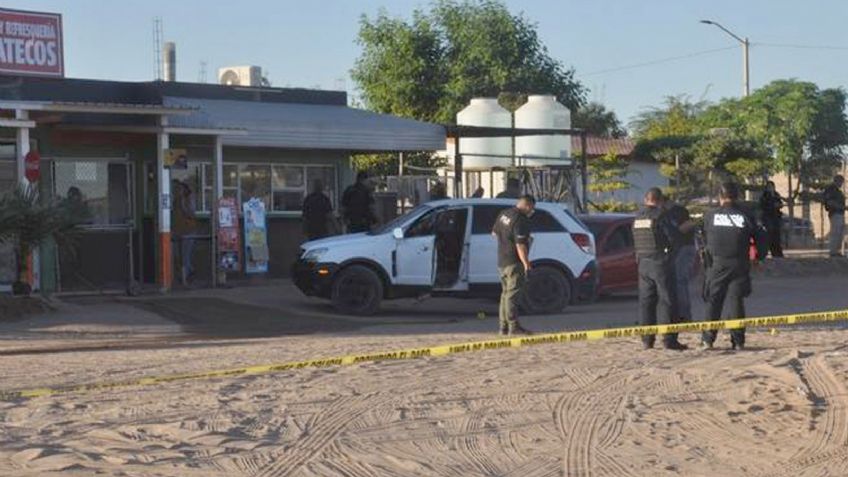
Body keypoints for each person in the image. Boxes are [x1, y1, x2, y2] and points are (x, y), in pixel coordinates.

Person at [701, 182, 766, 350]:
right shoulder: (746, 215)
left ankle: (708, 340)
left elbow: (704, 237)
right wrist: (759, 257)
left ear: (720, 197)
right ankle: (738, 342)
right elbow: (761, 237)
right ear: (737, 196)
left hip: (717, 264)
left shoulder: (710, 215)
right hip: (739, 263)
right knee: (735, 301)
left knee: (714, 301)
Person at [633, 188, 687, 350]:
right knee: (668, 301)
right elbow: (674, 238)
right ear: (660, 201)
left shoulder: (637, 217)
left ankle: (647, 340)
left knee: (646, 302)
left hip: (643, 263)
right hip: (660, 262)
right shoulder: (661, 216)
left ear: (645, 200)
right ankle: (669, 340)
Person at [491, 194, 536, 336]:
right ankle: (513, 326)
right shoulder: (520, 220)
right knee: (512, 295)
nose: (531, 211)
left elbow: (494, 233)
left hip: (501, 260)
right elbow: (520, 245)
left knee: (505, 294)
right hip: (514, 262)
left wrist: (505, 241)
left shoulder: (504, 213)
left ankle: (503, 327)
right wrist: (526, 264)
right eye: (532, 208)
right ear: (527, 205)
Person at [665, 199, 698, 324]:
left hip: (684, 248)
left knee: (680, 282)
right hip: (678, 249)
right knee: (676, 283)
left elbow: (689, 224)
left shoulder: (677, 211)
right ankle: (678, 315)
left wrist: (675, 232)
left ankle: (684, 316)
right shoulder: (667, 213)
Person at [171, 180, 198, 286]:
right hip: (178, 231)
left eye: (180, 189)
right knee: (178, 256)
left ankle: (185, 279)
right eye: (177, 189)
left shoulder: (189, 199)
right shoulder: (175, 201)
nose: (178, 191)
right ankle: (188, 273)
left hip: (188, 231)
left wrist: (183, 204)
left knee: (185, 256)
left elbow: (191, 214)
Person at [759, 181, 784, 258]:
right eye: (769, 187)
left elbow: (780, 203)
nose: (770, 188)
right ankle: (766, 252)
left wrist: (778, 205)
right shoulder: (764, 196)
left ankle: (777, 253)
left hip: (776, 217)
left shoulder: (776, 195)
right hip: (768, 218)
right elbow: (763, 206)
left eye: (772, 187)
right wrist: (772, 205)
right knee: (769, 235)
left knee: (777, 235)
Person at [822, 175, 846, 257]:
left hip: (840, 213)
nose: (841, 184)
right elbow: (829, 202)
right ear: (836, 181)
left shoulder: (838, 191)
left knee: (840, 233)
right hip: (835, 213)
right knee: (835, 232)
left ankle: (836, 251)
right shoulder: (831, 190)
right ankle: (833, 251)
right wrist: (841, 207)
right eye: (841, 182)